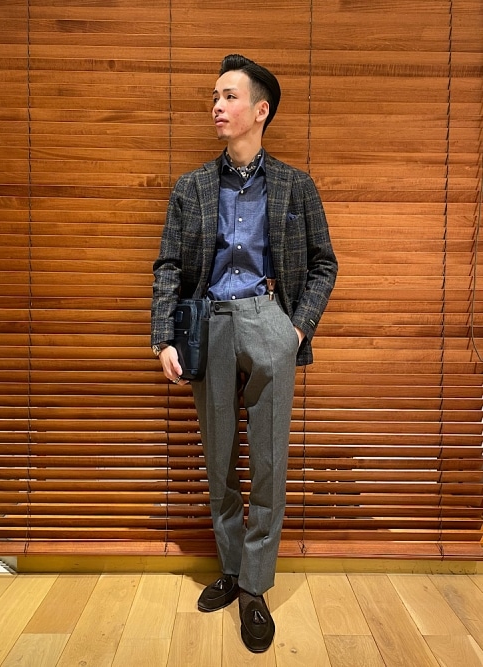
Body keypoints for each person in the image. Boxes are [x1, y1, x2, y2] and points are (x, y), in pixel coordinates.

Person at [151, 54, 338, 653]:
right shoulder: (191, 188)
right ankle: (231, 568)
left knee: (270, 462)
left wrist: (296, 330)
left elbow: (324, 265)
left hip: (268, 321)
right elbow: (169, 266)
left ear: (261, 110)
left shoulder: (294, 185)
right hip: (209, 324)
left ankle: (256, 586)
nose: (216, 106)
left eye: (229, 96)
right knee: (220, 459)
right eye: (214, 96)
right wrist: (164, 337)